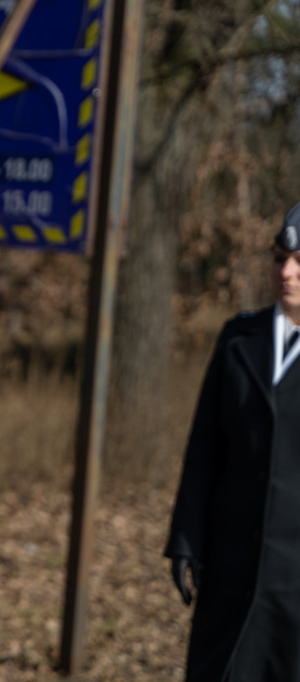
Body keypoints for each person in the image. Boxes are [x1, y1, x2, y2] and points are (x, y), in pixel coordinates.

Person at [165, 202, 300, 681]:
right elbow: (204, 448)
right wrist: (186, 538)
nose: (286, 272)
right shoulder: (239, 338)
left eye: (299, 262)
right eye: (279, 259)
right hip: (231, 569)